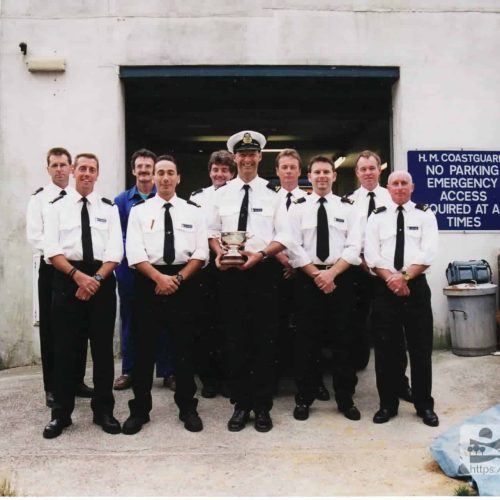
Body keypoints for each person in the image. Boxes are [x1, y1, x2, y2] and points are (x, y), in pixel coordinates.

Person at [208, 130, 294, 433]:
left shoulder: (274, 195)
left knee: (264, 340)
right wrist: (219, 253)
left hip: (263, 273)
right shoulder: (221, 194)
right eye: (242, 154)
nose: (247, 159)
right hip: (230, 273)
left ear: (259, 157)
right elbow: (210, 230)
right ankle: (240, 405)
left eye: (252, 154)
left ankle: (262, 407)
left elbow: (284, 236)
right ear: (236, 158)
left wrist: (261, 254)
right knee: (234, 339)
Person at [122, 155, 208, 435]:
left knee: (184, 349)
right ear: (154, 178)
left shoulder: (193, 212)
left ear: (178, 177)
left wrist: (178, 278)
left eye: (171, 172)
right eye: (161, 173)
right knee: (144, 349)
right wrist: (159, 278)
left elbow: (201, 253)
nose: (166, 178)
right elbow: (134, 253)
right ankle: (140, 409)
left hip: (185, 282)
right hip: (149, 282)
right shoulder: (139, 211)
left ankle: (187, 406)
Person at [42, 153, 123, 438]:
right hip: (67, 280)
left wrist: (96, 278)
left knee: (102, 352)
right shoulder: (56, 207)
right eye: (82, 168)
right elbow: (51, 249)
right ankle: (61, 415)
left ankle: (104, 411)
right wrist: (78, 277)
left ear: (97, 174)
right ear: (74, 171)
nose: (87, 173)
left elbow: (116, 251)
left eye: (92, 169)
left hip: (101, 281)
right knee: (65, 351)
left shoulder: (109, 208)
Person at [288, 155, 363, 422]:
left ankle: (345, 399)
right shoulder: (297, 207)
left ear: (334, 176)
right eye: (317, 172)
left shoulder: (349, 207)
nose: (321, 176)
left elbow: (354, 246)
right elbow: (293, 246)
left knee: (345, 341)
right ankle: (304, 398)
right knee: (306, 342)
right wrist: (316, 274)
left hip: (341, 278)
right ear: (309, 176)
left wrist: (331, 273)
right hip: (308, 280)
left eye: (326, 172)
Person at [364, 170, 439, 426]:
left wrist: (404, 278)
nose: (399, 187)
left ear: (412, 186)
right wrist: (392, 280)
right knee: (386, 351)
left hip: (415, 287)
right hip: (385, 288)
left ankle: (423, 405)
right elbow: (372, 255)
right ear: (388, 187)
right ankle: (388, 405)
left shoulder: (425, 214)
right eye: (394, 183)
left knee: (420, 349)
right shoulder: (376, 217)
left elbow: (429, 252)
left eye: (404, 183)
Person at [26, 147, 93, 409]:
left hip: (77, 271)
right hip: (53, 269)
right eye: (54, 165)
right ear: (48, 168)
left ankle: (76, 381)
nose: (59, 169)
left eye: (64, 165)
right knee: (53, 330)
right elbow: (35, 236)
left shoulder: (79, 198)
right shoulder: (40, 199)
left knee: (79, 327)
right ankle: (52, 387)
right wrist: (60, 254)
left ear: (72, 168)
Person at [345, 150, 412, 402]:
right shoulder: (349, 201)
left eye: (372, 168)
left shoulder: (393, 196)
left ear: (379, 169)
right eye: (363, 169)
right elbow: (349, 237)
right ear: (357, 172)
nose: (367, 173)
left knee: (395, 332)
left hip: (388, 275)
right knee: (355, 328)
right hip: (358, 273)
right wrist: (362, 262)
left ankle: (400, 383)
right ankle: (351, 386)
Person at [113, 149, 176, 392]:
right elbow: (118, 238)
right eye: (139, 166)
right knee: (131, 320)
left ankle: (167, 371)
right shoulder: (122, 201)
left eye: (148, 167)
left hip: (161, 267)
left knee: (165, 321)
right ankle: (129, 370)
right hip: (132, 271)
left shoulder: (164, 198)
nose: (144, 170)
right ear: (133, 170)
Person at [274, 149, 330, 401]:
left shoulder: (308, 201)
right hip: (275, 269)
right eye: (283, 167)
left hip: (305, 272)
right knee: (275, 326)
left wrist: (296, 264)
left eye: (292, 167)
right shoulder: (269, 200)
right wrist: (282, 260)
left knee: (309, 330)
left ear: (300, 172)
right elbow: (267, 234)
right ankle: (276, 379)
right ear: (277, 171)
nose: (287, 171)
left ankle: (313, 382)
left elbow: (306, 240)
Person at [190, 150, 236, 398]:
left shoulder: (238, 195)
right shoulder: (198, 197)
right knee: (204, 325)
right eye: (216, 169)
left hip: (230, 266)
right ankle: (209, 379)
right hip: (204, 268)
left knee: (228, 323)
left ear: (232, 172)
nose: (219, 174)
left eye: (225, 170)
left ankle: (229, 378)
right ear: (210, 171)